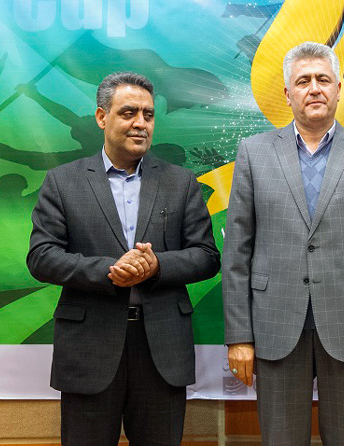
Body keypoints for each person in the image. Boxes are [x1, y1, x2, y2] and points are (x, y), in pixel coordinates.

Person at [222, 42, 344, 445]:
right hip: (275, 328)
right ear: (287, 93)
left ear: (339, 89)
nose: (314, 88)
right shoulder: (254, 152)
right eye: (303, 81)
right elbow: (236, 253)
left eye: (323, 79)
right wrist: (239, 336)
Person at [27, 71, 220, 445]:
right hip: (89, 347)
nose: (140, 123)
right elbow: (42, 256)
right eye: (129, 112)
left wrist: (157, 266)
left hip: (162, 348)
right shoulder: (63, 181)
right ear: (102, 117)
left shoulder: (181, 182)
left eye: (148, 115)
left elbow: (207, 256)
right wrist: (109, 270)